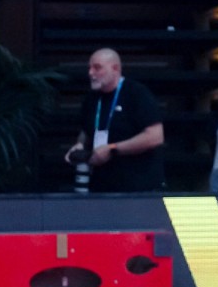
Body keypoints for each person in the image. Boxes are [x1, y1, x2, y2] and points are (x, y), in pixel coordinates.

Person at [65, 48, 165, 193]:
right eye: (89, 68)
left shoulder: (136, 93)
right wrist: (80, 145)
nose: (91, 73)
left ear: (115, 68)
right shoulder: (91, 98)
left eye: (97, 67)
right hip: (101, 187)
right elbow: (86, 131)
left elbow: (155, 137)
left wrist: (113, 149)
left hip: (138, 186)